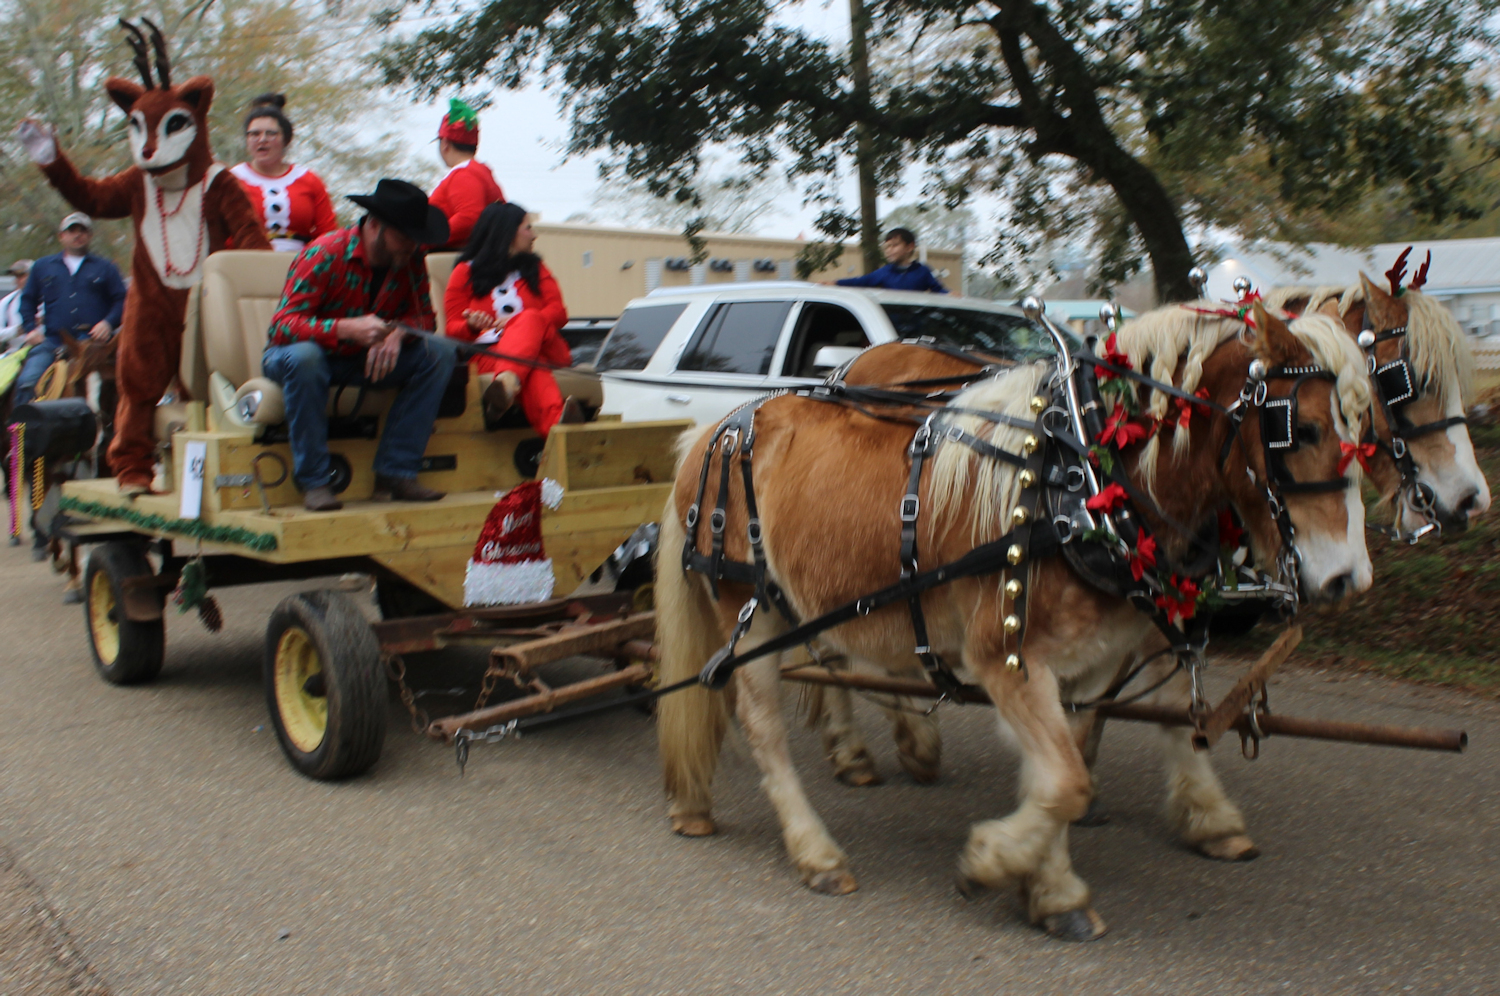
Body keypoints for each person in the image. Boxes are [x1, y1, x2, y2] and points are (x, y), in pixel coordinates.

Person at [262, 179, 458, 512]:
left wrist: (400, 333)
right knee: (306, 358)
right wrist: (344, 329)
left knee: (439, 352)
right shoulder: (325, 253)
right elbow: (282, 326)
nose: (412, 245)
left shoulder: (410, 259)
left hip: (363, 360)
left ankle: (397, 473)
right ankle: (315, 481)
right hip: (301, 356)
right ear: (376, 225)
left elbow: (426, 318)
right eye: (405, 235)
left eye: (416, 237)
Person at [444, 202, 583, 435]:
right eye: (528, 228)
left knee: (528, 318)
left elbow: (559, 313)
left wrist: (517, 323)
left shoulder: (536, 268)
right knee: (532, 366)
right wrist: (470, 325)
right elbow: (451, 328)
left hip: (548, 348)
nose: (534, 235)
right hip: (491, 353)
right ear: (507, 232)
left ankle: (506, 384)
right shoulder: (464, 272)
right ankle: (558, 431)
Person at [13, 213, 127, 406]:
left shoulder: (106, 268)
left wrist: (108, 323)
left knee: (128, 383)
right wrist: (31, 330)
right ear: (61, 236)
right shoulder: (43, 266)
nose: (77, 235)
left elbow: (122, 300)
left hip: (95, 346)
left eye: (82, 230)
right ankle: (20, 435)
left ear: (90, 236)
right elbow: (28, 301)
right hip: (54, 343)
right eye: (72, 230)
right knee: (26, 383)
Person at [231, 94, 337, 253]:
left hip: (300, 267)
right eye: (254, 134)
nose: (262, 140)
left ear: (285, 139)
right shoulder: (231, 180)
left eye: (271, 133)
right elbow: (217, 230)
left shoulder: (309, 180)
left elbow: (328, 234)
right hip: (244, 264)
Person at [429, 99, 505, 251]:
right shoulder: (481, 172)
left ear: (445, 144)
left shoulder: (464, 174)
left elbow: (469, 217)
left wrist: (426, 240)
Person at [832, 227, 948, 293]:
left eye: (894, 245)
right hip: (891, 326)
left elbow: (938, 290)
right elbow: (861, 281)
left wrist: (950, 294)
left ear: (909, 247)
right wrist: (836, 283)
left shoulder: (922, 271)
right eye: (887, 247)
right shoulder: (884, 272)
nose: (889, 250)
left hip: (915, 327)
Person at [1, 259, 34, 353]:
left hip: (45, 351)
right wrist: (18, 330)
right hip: (14, 353)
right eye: (16, 276)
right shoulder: (7, 302)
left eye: (22, 275)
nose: (18, 280)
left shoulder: (49, 299)